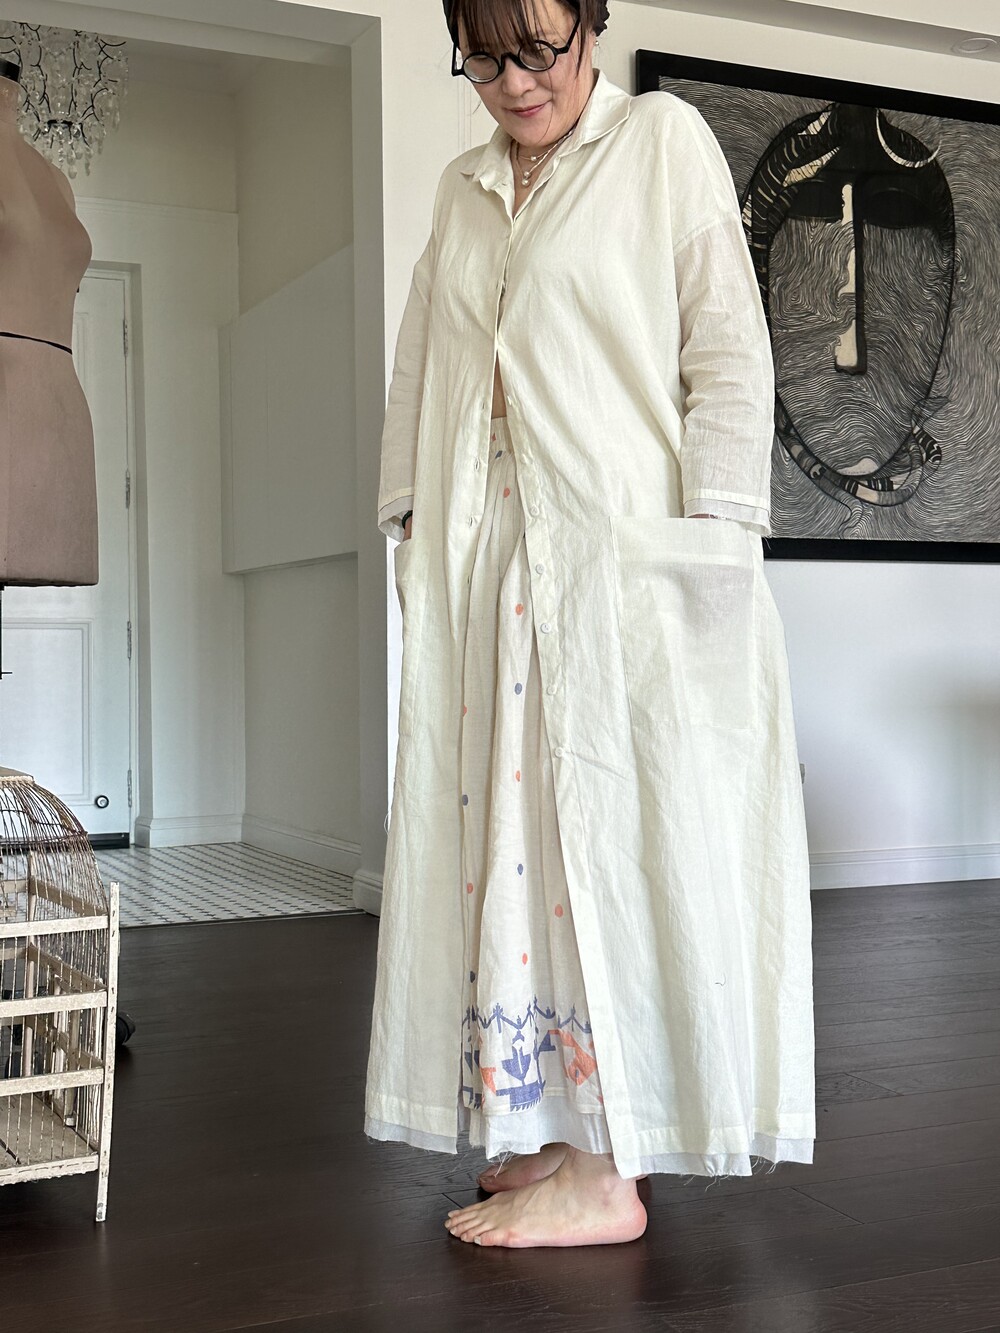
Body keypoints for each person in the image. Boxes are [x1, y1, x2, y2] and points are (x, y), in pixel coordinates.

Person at [366, 0, 815, 1249]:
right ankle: (563, 1121)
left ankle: (612, 1171)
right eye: (485, 56)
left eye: (540, 49)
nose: (515, 82)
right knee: (515, 848)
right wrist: (409, 517)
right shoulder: (463, 190)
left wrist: (714, 541)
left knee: (606, 842)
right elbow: (421, 367)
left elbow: (728, 351)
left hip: (619, 562)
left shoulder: (660, 142)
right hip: (491, 562)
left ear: (593, 26)